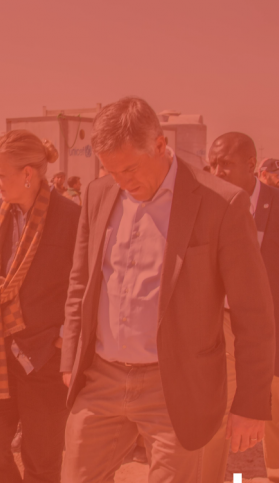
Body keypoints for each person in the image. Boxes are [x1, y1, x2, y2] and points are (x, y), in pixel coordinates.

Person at [60, 97, 275, 483]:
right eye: (111, 171)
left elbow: (253, 312)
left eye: (130, 169)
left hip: (176, 386)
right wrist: (71, 357)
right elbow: (81, 282)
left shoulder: (221, 203)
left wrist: (251, 401)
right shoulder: (97, 194)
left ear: (160, 145)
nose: (123, 182)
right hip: (101, 379)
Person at [0, 129, 80, 483]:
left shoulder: (71, 218)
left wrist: (65, 336)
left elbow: (84, 284)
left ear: (28, 173)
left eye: (1, 174)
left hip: (44, 357)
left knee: (42, 460)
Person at [204, 133, 279, 482]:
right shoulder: (207, 206)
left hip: (270, 323)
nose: (216, 172)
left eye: (225, 164)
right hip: (222, 323)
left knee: (273, 404)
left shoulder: (274, 206)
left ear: (251, 165)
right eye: (212, 165)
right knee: (221, 409)